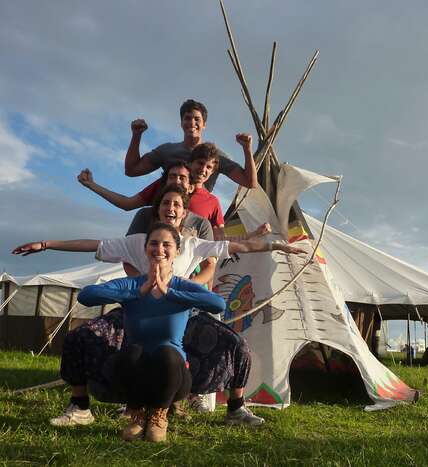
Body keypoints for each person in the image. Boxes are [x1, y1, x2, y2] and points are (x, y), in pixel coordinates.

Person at [13, 185, 306, 427]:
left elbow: (238, 247)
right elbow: (93, 244)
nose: (171, 207)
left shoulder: (192, 244)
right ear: (158, 210)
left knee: (237, 345)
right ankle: (80, 406)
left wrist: (277, 246)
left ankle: (235, 409)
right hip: (136, 308)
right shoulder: (138, 241)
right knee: (81, 336)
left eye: (177, 204)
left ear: (185, 212)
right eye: (166, 202)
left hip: (182, 312)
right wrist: (47, 243)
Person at [77, 222, 226, 442]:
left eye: (167, 244)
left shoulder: (182, 286)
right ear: (146, 249)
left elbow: (218, 304)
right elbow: (86, 296)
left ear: (177, 251)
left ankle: (159, 415)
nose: (160, 249)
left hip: (174, 377)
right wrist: (138, 292)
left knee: (167, 353)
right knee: (130, 352)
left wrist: (170, 293)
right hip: (136, 374)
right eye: (153, 243)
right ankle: (137, 414)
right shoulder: (132, 285)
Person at [78, 134, 255, 236]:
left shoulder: (212, 202)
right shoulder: (165, 186)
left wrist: (254, 237)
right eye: (200, 164)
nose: (203, 170)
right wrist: (93, 185)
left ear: (214, 170)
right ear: (191, 163)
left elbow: (218, 241)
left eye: (209, 167)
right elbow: (127, 203)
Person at [124, 99, 258, 191]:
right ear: (181, 122)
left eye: (197, 119)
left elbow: (250, 183)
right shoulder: (167, 151)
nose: (192, 122)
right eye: (187, 118)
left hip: (197, 221)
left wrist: (247, 149)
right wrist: (136, 135)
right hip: (169, 214)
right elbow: (131, 170)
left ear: (204, 125)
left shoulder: (216, 156)